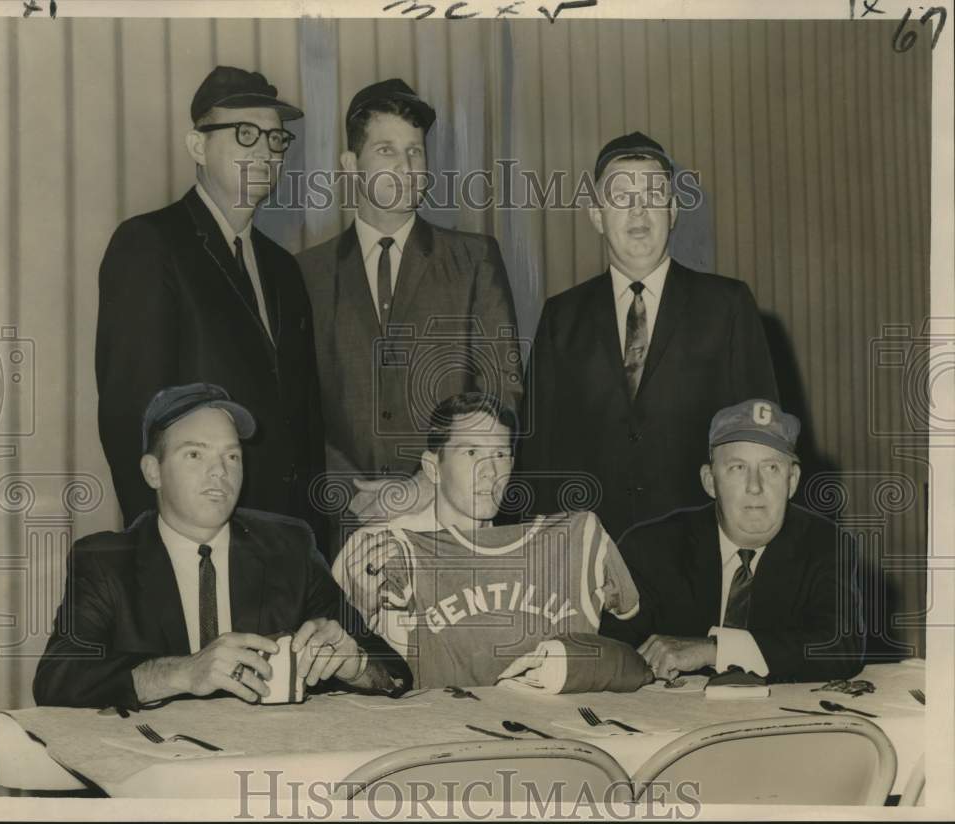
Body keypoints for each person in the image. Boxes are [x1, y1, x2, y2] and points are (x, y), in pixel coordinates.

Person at [33, 384, 410, 709]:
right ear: (152, 471)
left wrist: (355, 664)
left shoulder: (288, 548)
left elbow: (395, 675)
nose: (220, 472)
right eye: (195, 454)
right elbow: (57, 679)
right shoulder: (105, 562)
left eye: (232, 456)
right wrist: (180, 672)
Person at [95, 66, 324, 539]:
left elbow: (304, 422)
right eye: (245, 134)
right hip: (195, 542)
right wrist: (157, 553)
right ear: (197, 146)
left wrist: (313, 544)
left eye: (276, 139)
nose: (265, 150)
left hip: (286, 547)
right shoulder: (150, 244)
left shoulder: (284, 268)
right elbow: (131, 420)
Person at [515, 131, 779, 541]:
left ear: (673, 211)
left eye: (653, 196)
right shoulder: (561, 317)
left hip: (697, 556)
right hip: (589, 558)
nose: (639, 212)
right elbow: (536, 460)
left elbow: (762, 446)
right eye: (621, 197)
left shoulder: (726, 306)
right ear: (597, 215)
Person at [297, 79, 521, 546]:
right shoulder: (306, 273)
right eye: (386, 150)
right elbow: (297, 408)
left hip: (453, 520)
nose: (405, 167)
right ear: (349, 166)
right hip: (346, 524)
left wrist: (427, 482)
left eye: (415, 152)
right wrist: (352, 492)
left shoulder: (474, 258)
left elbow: (501, 392)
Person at [333, 392, 649, 690]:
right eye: (471, 452)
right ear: (433, 467)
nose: (490, 472)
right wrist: (360, 609)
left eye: (500, 454)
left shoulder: (557, 547)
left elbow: (626, 625)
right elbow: (331, 669)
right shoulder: (376, 548)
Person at [601, 399, 865, 683]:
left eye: (771, 468)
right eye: (738, 468)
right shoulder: (651, 547)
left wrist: (716, 650)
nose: (755, 487)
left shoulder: (825, 544)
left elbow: (840, 647)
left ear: (793, 480)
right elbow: (609, 648)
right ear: (710, 481)